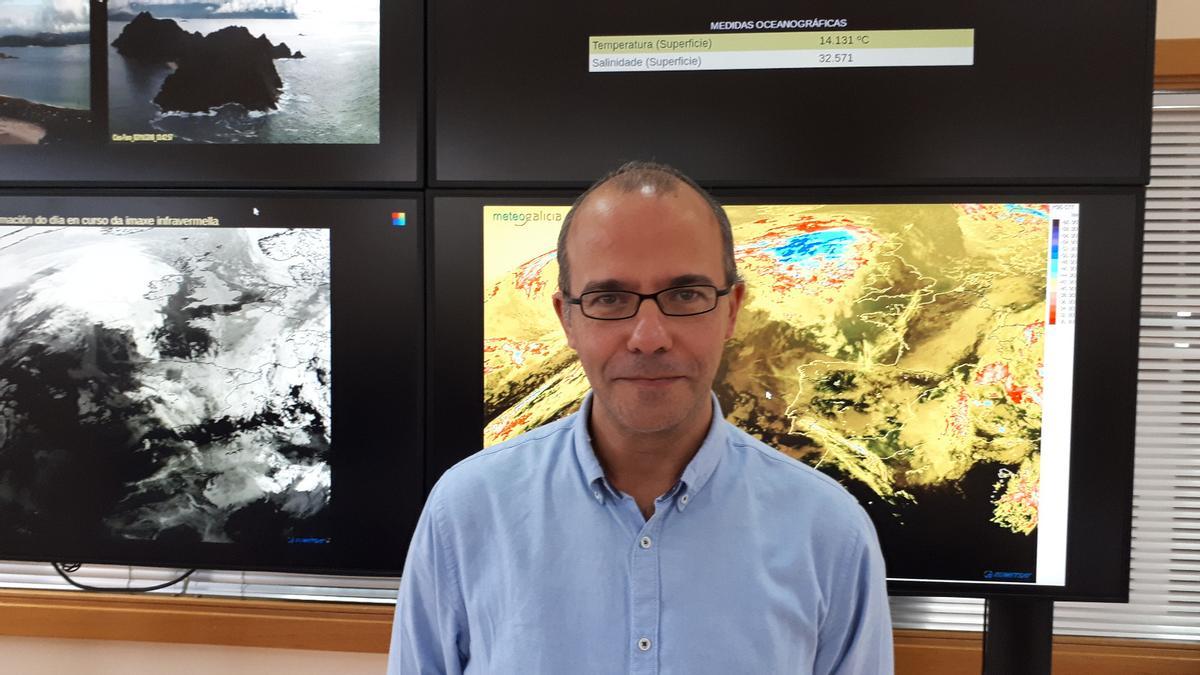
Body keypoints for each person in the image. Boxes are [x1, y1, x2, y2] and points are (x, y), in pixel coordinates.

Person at [389, 161, 894, 674]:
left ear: (732, 310)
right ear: (567, 318)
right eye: (610, 298)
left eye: (684, 295)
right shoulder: (468, 511)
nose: (648, 336)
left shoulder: (829, 532)